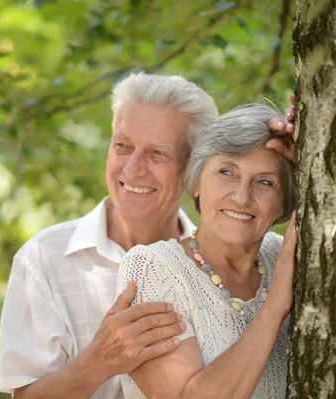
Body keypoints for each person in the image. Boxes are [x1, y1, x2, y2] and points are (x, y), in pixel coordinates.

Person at [0, 73, 295, 399]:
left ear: (191, 168)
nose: (133, 169)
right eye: (122, 146)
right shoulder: (44, 257)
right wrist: (99, 360)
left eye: (158, 153)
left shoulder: (274, 256)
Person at [116, 103, 297, 399]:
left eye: (265, 182)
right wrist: (274, 306)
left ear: (284, 202)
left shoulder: (284, 255)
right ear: (196, 181)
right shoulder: (152, 269)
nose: (241, 197)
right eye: (226, 172)